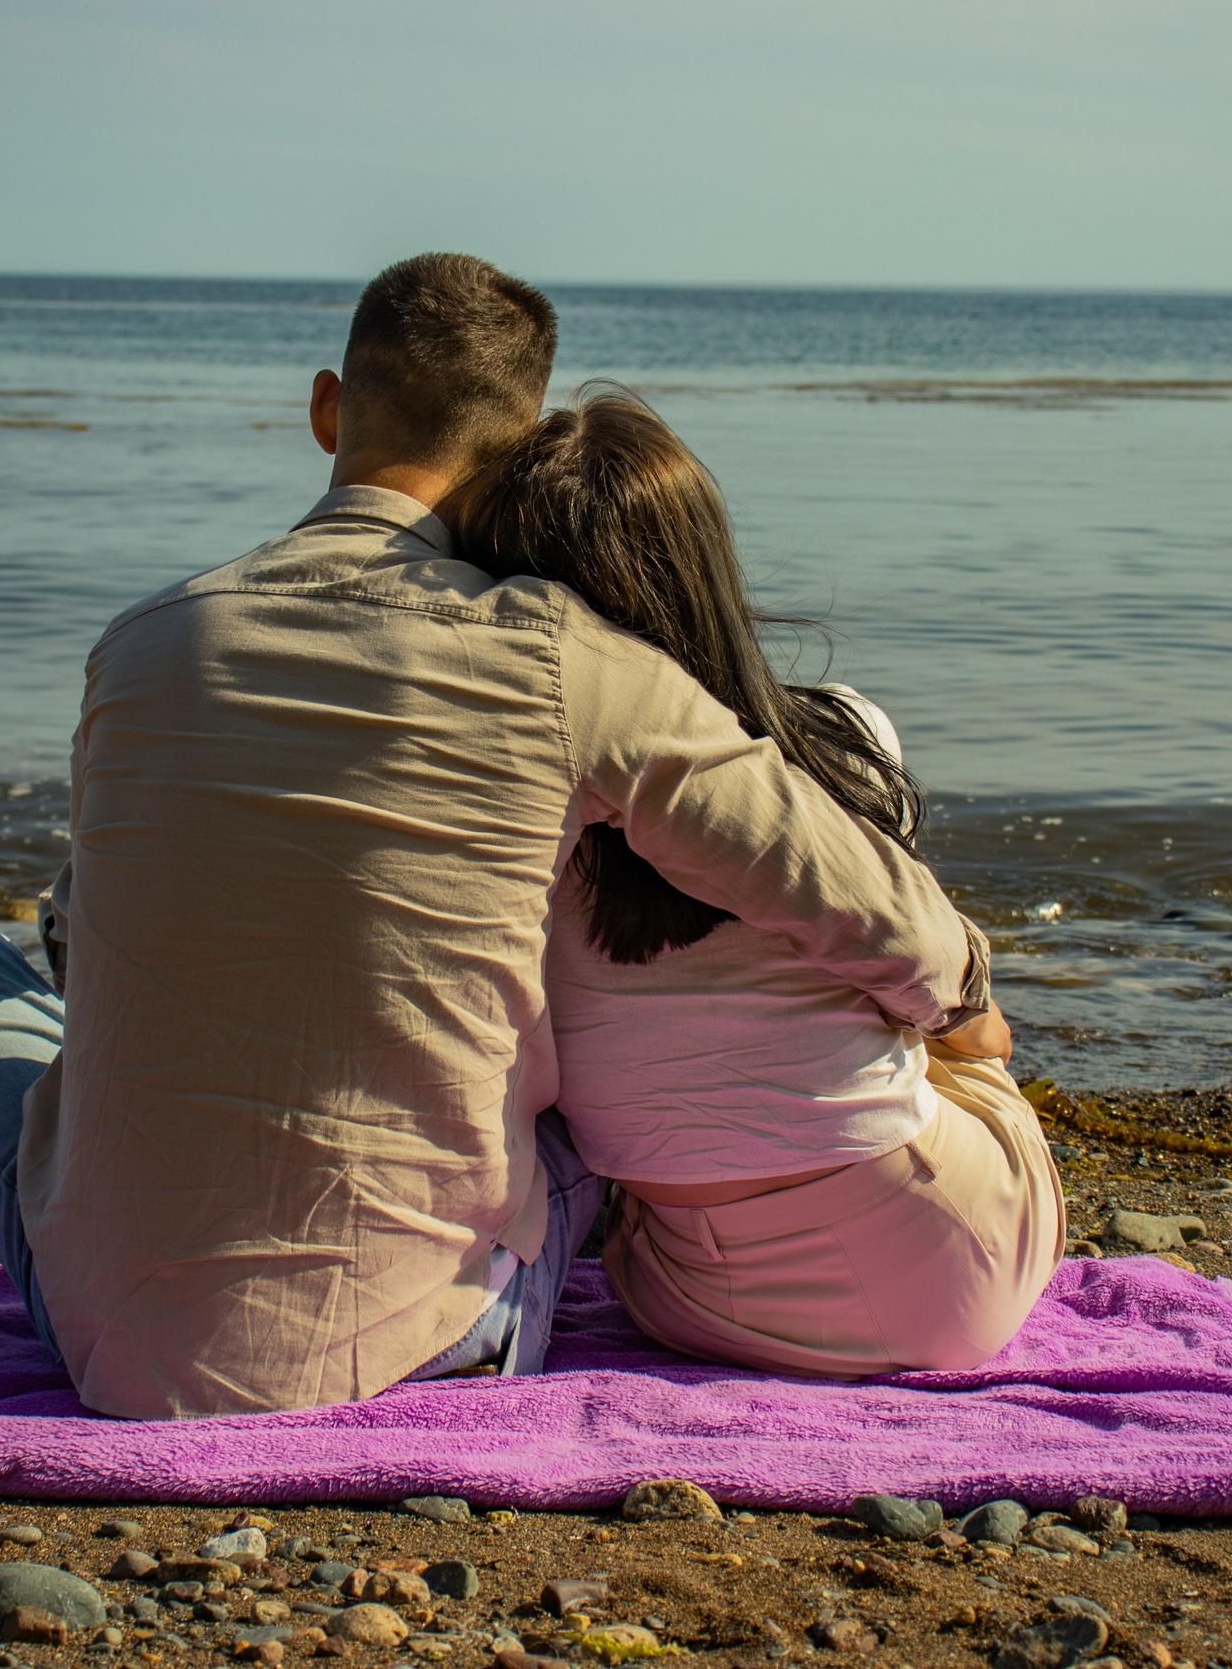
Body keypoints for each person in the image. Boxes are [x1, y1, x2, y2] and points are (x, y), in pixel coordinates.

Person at [0, 253, 997, 1419]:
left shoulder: (140, 644)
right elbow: (862, 899)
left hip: (116, 1341)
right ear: (527, 443)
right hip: (436, 1336)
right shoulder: (558, 654)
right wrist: (963, 998)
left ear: (325, 409)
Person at [442, 387, 1064, 1379]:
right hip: (951, 1276)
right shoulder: (843, 742)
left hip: (691, 1298)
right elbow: (927, 988)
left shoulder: (507, 817)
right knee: (943, 1039)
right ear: (701, 569)